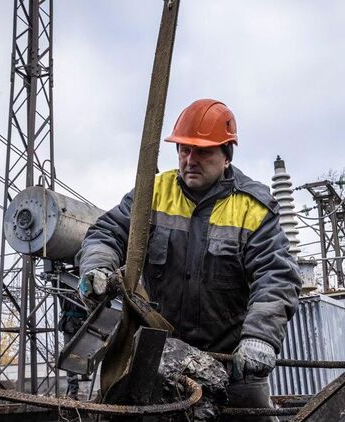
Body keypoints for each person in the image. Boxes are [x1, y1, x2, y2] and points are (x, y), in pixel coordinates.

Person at [76, 99, 301, 416]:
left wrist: (261, 337)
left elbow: (276, 276)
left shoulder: (253, 207)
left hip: (233, 362)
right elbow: (107, 232)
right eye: (184, 150)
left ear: (226, 156)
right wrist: (97, 266)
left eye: (202, 151)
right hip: (160, 357)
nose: (190, 160)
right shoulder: (153, 193)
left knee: (251, 413)